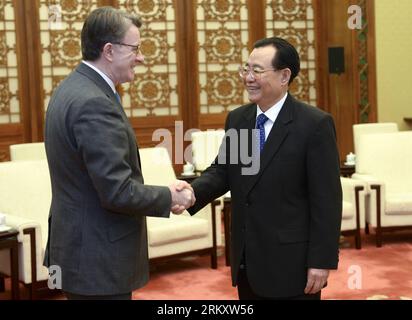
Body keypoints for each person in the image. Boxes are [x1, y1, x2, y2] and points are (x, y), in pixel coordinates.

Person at [43, 7, 194, 300]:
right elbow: (116, 191)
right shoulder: (94, 102)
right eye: (135, 48)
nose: (141, 57)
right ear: (109, 50)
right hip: (97, 259)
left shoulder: (71, 88)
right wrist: (170, 197)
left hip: (78, 251)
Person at [188, 37, 342, 300]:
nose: (248, 77)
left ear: (284, 76)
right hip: (248, 260)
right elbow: (223, 171)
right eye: (245, 69)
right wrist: (187, 193)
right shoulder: (239, 119)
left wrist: (322, 260)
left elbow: (326, 200)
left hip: (293, 265)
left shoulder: (314, 125)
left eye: (257, 70)